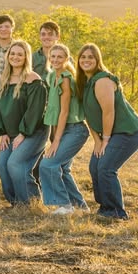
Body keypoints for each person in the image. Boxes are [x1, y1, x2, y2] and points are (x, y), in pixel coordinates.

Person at [77, 43, 138, 220]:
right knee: (95, 166)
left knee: (106, 168)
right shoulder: (84, 83)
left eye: (90, 57)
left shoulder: (102, 80)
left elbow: (109, 112)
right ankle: (105, 208)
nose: (86, 60)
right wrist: (98, 141)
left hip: (128, 132)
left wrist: (106, 139)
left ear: (97, 60)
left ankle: (116, 212)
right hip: (108, 135)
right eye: (83, 57)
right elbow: (89, 116)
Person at [0, 41, 49, 205]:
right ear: (8, 56)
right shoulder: (3, 80)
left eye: (20, 54)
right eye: (12, 53)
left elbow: (35, 110)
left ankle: (30, 202)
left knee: (15, 163)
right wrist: (2, 132)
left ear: (26, 57)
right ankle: (15, 203)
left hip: (33, 131)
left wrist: (23, 133)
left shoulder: (33, 79)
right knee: (2, 165)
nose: (15, 57)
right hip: (10, 133)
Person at [40, 43, 90, 215]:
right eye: (52, 56)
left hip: (75, 130)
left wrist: (56, 142)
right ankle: (80, 207)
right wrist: (54, 138)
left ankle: (64, 205)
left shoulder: (66, 78)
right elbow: (54, 112)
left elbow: (64, 112)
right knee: (63, 168)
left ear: (67, 59)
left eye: (59, 57)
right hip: (64, 129)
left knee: (48, 165)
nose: (55, 60)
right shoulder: (53, 76)